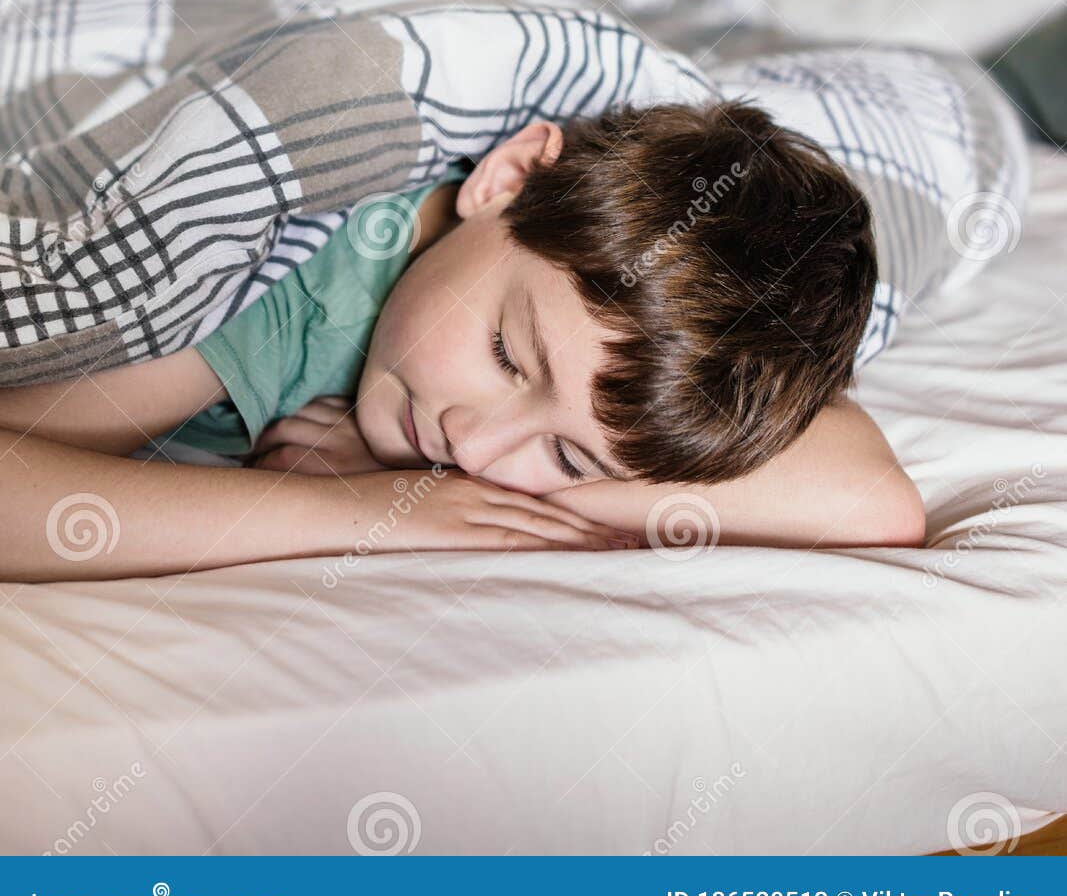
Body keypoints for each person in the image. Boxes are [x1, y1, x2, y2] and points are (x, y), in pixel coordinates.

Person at [0, 87, 945, 582]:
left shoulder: (527, 330)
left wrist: (422, 486)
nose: (474, 447)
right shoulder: (280, 272)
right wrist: (358, 513)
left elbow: (870, 503)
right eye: (505, 354)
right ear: (506, 180)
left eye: (568, 460)